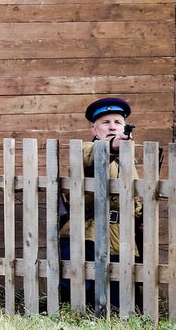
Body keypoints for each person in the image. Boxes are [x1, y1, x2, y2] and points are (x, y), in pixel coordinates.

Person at [58, 97, 142, 309]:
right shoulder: (86, 150)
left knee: (120, 300)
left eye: (117, 122)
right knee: (81, 297)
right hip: (88, 235)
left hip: (121, 237)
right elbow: (93, 155)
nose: (112, 126)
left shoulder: (130, 160)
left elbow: (136, 197)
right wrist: (113, 144)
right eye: (105, 122)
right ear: (95, 130)